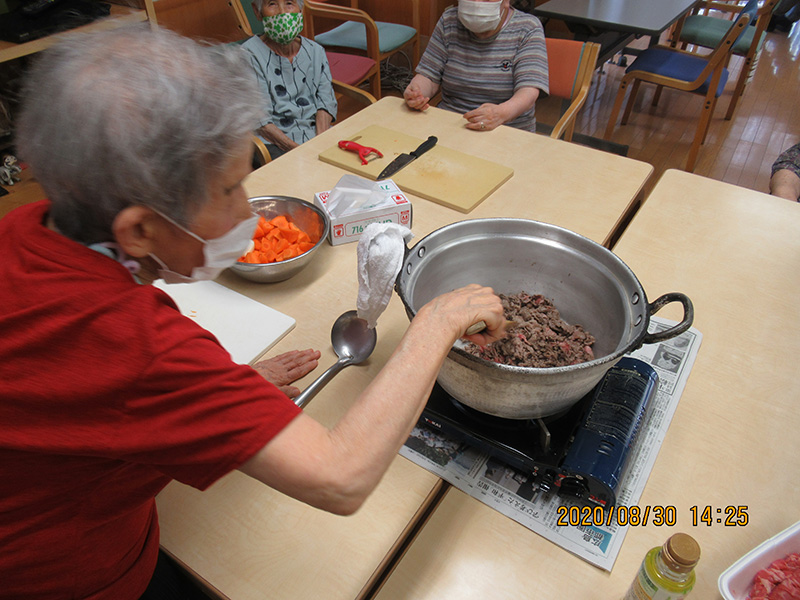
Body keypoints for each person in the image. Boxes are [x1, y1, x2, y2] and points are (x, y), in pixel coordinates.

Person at [0, 26, 507, 600]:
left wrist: (212, 394)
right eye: (229, 191)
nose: (248, 211)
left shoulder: (27, 227)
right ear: (139, 229)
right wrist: (434, 324)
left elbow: (79, 407)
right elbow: (340, 478)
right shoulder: (134, 346)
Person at [403, 0, 549, 133]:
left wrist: (501, 114)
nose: (476, 3)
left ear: (506, 1)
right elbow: (429, 75)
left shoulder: (528, 27)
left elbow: (528, 93)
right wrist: (417, 92)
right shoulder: (449, 21)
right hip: (451, 124)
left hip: (507, 128)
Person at [241, 0, 337, 160]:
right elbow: (261, 121)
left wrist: (321, 144)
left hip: (317, 134)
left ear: (301, 9)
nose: (282, 12)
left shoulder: (315, 51)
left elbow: (325, 103)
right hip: (272, 143)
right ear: (257, 12)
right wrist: (302, 152)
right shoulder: (248, 55)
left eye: (289, 3)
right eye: (272, 4)